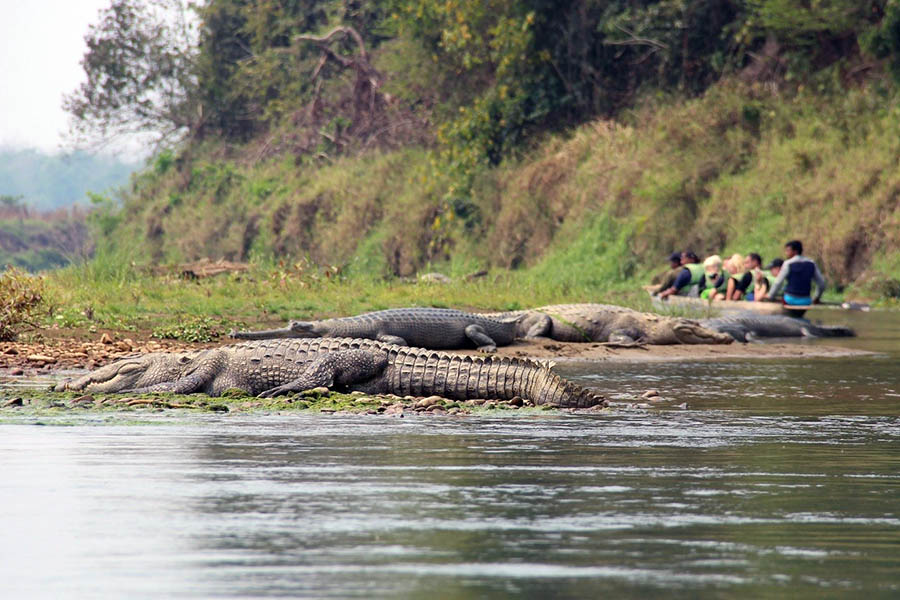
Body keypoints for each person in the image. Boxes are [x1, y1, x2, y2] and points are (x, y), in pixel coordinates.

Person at [762, 240, 825, 305]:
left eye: (788, 251)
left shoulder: (788, 263)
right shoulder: (812, 263)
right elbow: (822, 284)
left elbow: (778, 283)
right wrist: (817, 297)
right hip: (806, 300)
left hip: (789, 300)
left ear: (795, 251)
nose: (786, 253)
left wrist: (770, 295)